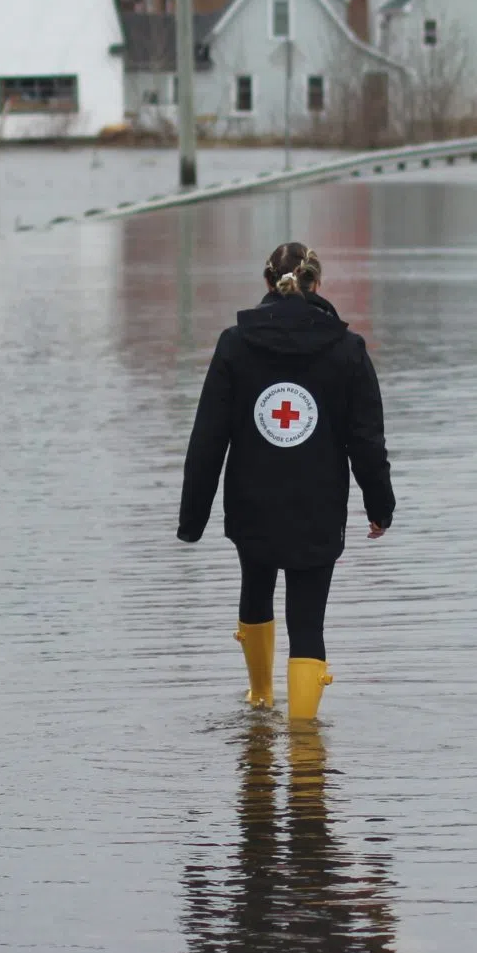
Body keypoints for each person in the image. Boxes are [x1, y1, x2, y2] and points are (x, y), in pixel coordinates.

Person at [177, 241, 394, 720]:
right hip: (318, 507)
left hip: (252, 503)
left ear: (266, 283)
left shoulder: (234, 344)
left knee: (255, 590)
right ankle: (303, 744)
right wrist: (381, 506)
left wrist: (192, 519)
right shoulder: (347, 351)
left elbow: (207, 438)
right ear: (317, 285)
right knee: (308, 621)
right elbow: (366, 442)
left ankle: (259, 701)